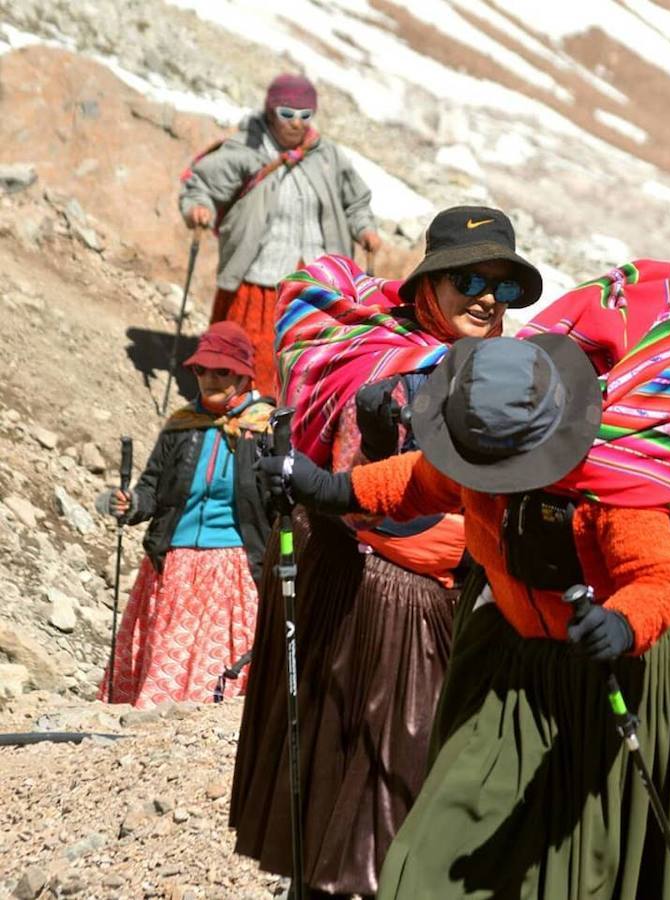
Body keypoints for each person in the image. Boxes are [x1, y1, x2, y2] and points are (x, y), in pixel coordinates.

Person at [259, 260, 670, 899]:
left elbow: (656, 580)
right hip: (520, 666)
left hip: (615, 668)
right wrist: (328, 487)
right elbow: (417, 481)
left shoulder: (614, 494)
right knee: (435, 853)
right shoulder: (477, 451)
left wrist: (622, 623)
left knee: (598, 857)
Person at [229, 207, 543, 898]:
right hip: (389, 599)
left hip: (405, 591)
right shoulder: (400, 363)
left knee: (364, 781)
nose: (490, 300)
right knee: (379, 786)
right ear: (430, 284)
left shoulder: (485, 372)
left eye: (507, 288)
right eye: (470, 279)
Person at [97, 322, 274, 708]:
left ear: (244, 373)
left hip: (232, 572)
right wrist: (133, 504)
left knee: (207, 686)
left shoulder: (266, 430)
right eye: (201, 370)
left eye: (221, 371)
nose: (209, 379)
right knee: (163, 678)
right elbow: (153, 489)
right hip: (171, 570)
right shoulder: (182, 425)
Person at [179, 73, 382, 397]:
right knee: (256, 351)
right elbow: (199, 185)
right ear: (272, 112)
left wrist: (365, 228)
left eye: (305, 116)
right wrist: (198, 210)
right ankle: (248, 417)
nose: (296, 124)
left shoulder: (328, 156)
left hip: (319, 280)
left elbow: (355, 200)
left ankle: (308, 417)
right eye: (287, 115)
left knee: (316, 353)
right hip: (260, 275)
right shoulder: (245, 150)